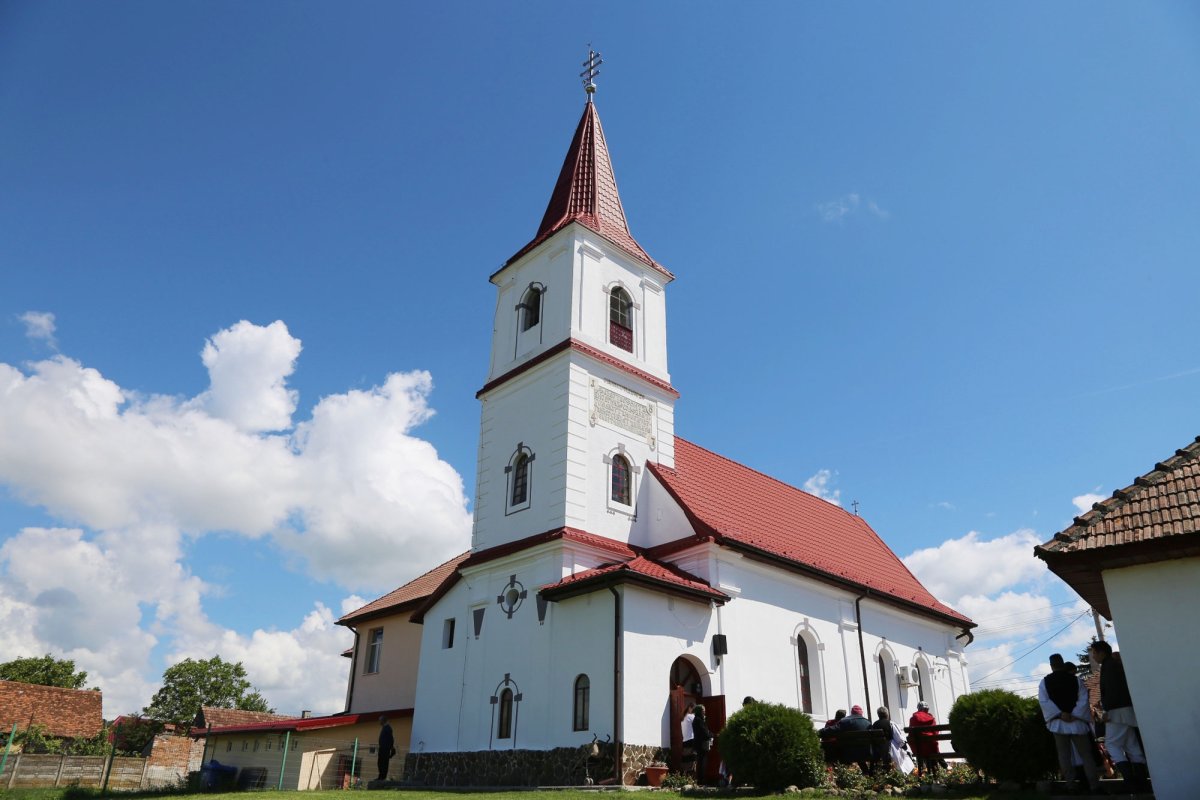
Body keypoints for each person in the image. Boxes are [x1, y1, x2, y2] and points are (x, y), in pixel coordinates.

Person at [1090, 641, 1149, 790]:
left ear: (1102, 652)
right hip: (1126, 708)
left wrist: (1106, 711)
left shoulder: (1108, 667)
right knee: (1131, 744)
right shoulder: (1114, 665)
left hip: (1116, 710)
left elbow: (1111, 690)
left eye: (1095, 653)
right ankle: (1141, 779)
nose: (1094, 656)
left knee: (1112, 744)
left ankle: (1129, 779)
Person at [1038, 653, 1100, 794]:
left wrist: (1060, 714)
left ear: (1051, 665)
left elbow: (1044, 701)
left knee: (1064, 755)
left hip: (1058, 723)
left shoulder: (1045, 682)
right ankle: (1094, 785)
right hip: (1077, 722)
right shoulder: (1076, 680)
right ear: (1062, 663)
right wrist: (1074, 714)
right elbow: (1083, 700)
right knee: (1086, 755)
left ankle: (1071, 785)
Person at [907, 702, 944, 776]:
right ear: (926, 709)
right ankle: (939, 770)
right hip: (932, 748)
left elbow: (911, 735)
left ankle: (924, 773)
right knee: (931, 743)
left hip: (919, 749)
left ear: (918, 709)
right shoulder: (931, 718)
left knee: (920, 746)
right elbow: (936, 733)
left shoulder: (913, 719)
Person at [836, 704, 873, 774]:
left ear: (852, 713)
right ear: (861, 713)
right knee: (860, 756)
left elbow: (834, 729)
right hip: (866, 753)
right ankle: (867, 773)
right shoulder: (868, 723)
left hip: (849, 753)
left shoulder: (845, 721)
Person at [691, 704, 714, 785]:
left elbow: (706, 730)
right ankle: (701, 781)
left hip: (699, 744)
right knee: (702, 763)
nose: (704, 712)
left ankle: (701, 780)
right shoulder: (698, 720)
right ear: (699, 711)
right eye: (703, 711)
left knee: (701, 762)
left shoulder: (699, 719)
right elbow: (705, 732)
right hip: (701, 744)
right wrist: (711, 735)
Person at [377, 715, 395, 781]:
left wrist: (391, 748)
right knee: (380, 763)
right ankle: (380, 776)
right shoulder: (385, 727)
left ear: (383, 721)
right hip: (382, 748)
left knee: (383, 763)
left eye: (380, 721)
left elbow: (391, 739)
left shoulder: (388, 728)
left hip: (385, 749)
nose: (379, 722)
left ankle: (382, 777)